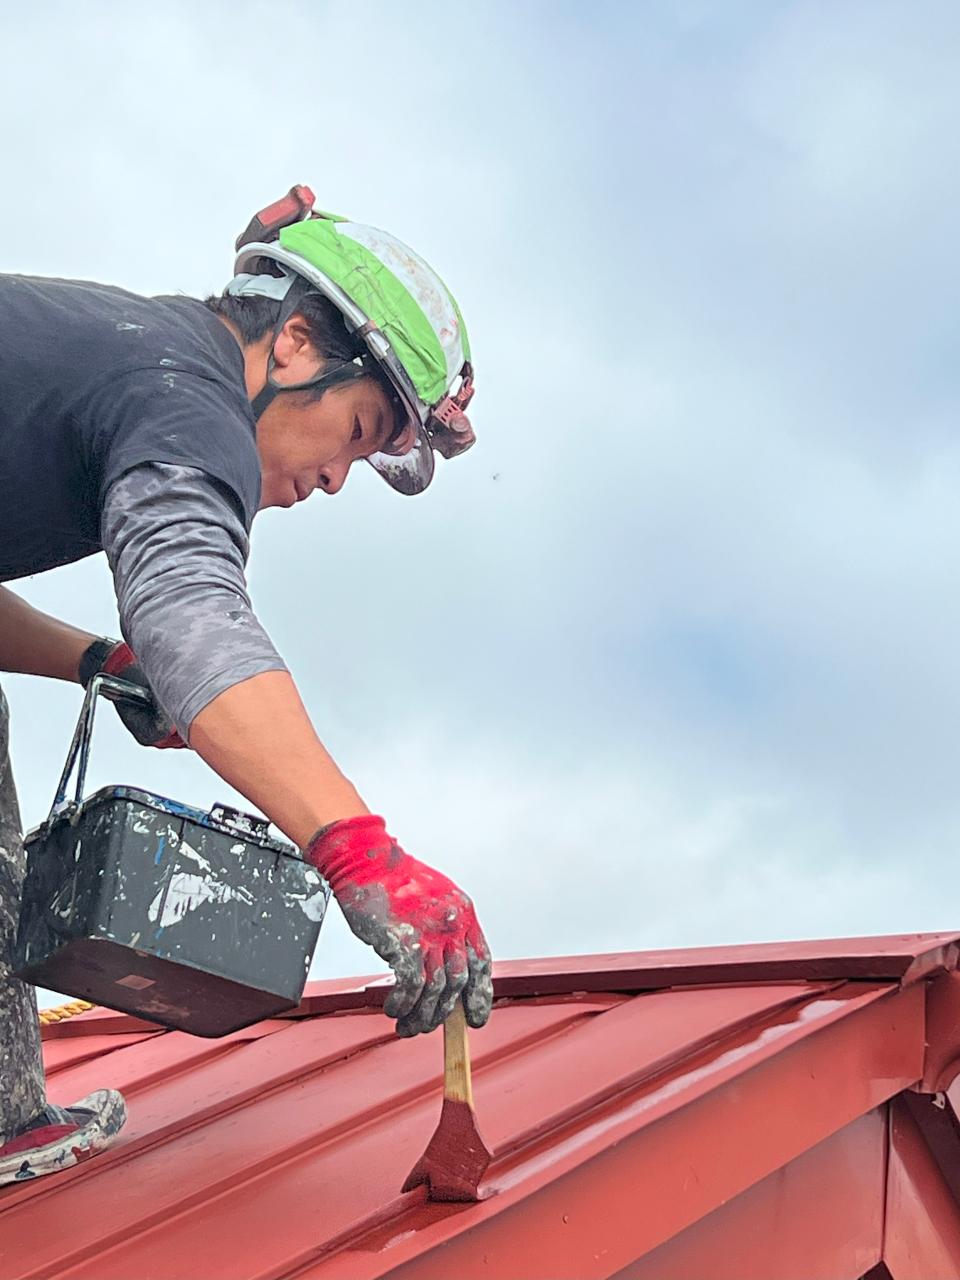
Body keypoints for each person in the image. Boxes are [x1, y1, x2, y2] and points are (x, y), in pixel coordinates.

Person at [0, 187, 492, 1185]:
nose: (341, 477)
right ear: (298, 344)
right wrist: (361, 850)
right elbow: (191, 613)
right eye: (358, 432)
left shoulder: (126, 355)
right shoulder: (189, 397)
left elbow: (163, 635)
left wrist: (101, 662)